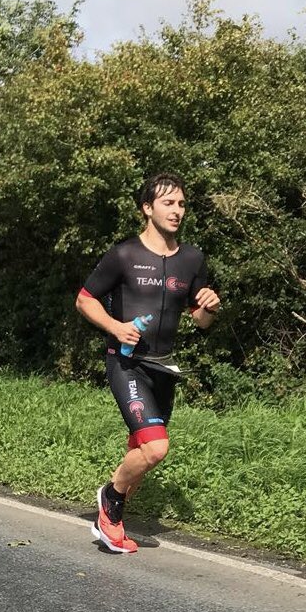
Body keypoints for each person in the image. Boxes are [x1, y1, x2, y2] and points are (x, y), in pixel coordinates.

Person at [76, 173, 221, 553]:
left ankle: (112, 519)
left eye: (182, 204)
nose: (177, 211)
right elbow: (84, 299)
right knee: (156, 449)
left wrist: (209, 308)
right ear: (147, 208)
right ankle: (109, 499)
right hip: (127, 364)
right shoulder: (123, 255)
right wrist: (115, 326)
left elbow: (200, 322)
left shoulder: (192, 259)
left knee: (141, 453)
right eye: (168, 203)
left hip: (164, 368)